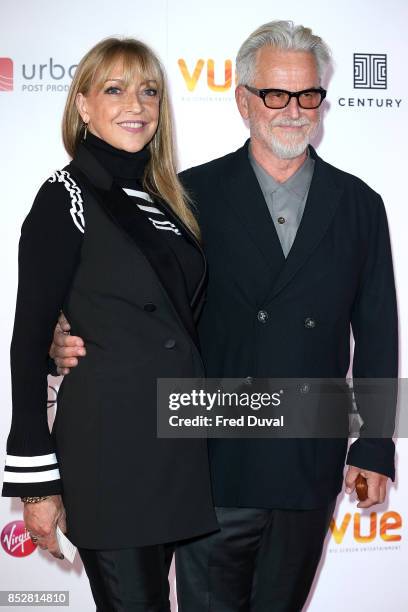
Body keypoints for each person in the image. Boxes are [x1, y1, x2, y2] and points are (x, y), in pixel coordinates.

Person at [50, 21, 398, 612]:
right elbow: (139, 305)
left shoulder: (360, 203)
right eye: (275, 95)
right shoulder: (187, 195)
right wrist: (64, 338)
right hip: (210, 459)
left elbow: (380, 330)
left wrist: (375, 445)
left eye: (307, 94)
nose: (293, 110)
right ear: (243, 100)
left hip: (306, 455)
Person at [2, 37, 218, 611]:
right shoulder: (64, 195)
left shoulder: (166, 198)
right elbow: (28, 343)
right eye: (115, 89)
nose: (137, 104)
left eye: (149, 91)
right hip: (109, 449)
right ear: (83, 105)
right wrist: (36, 482)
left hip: (174, 446)